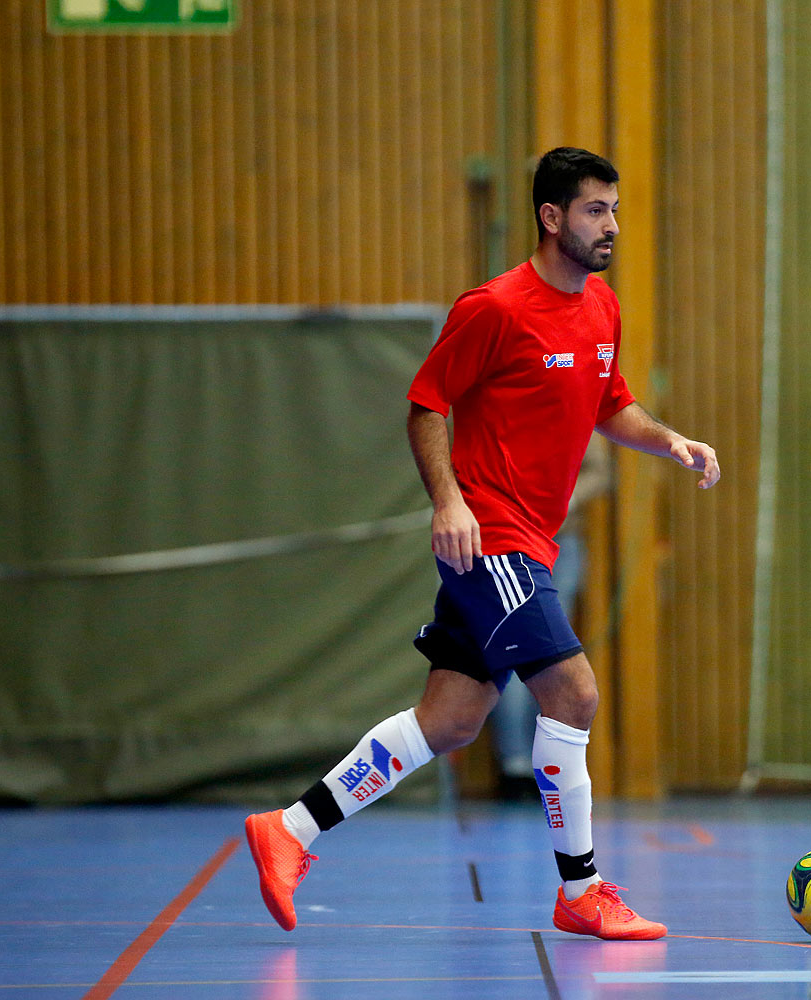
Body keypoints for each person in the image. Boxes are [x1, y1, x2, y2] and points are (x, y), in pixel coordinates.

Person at [244, 146, 720, 941]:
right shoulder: (494, 308)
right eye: (595, 210)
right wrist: (449, 503)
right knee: (574, 693)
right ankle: (582, 889)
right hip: (489, 536)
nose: (610, 226)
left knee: (452, 717)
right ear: (551, 216)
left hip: (532, 544)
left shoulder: (602, 308)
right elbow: (425, 405)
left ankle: (290, 829)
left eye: (613, 210)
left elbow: (613, 404)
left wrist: (670, 441)